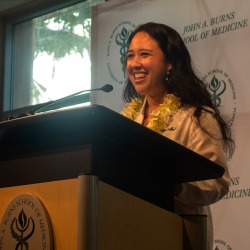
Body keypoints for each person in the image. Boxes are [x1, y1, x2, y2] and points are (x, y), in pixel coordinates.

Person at [120, 22, 235, 250]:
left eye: (145, 54)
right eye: (130, 55)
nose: (134, 64)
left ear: (170, 63)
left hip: (180, 235)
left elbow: (216, 183)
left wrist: (168, 184)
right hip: (130, 230)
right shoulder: (125, 122)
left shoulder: (196, 116)